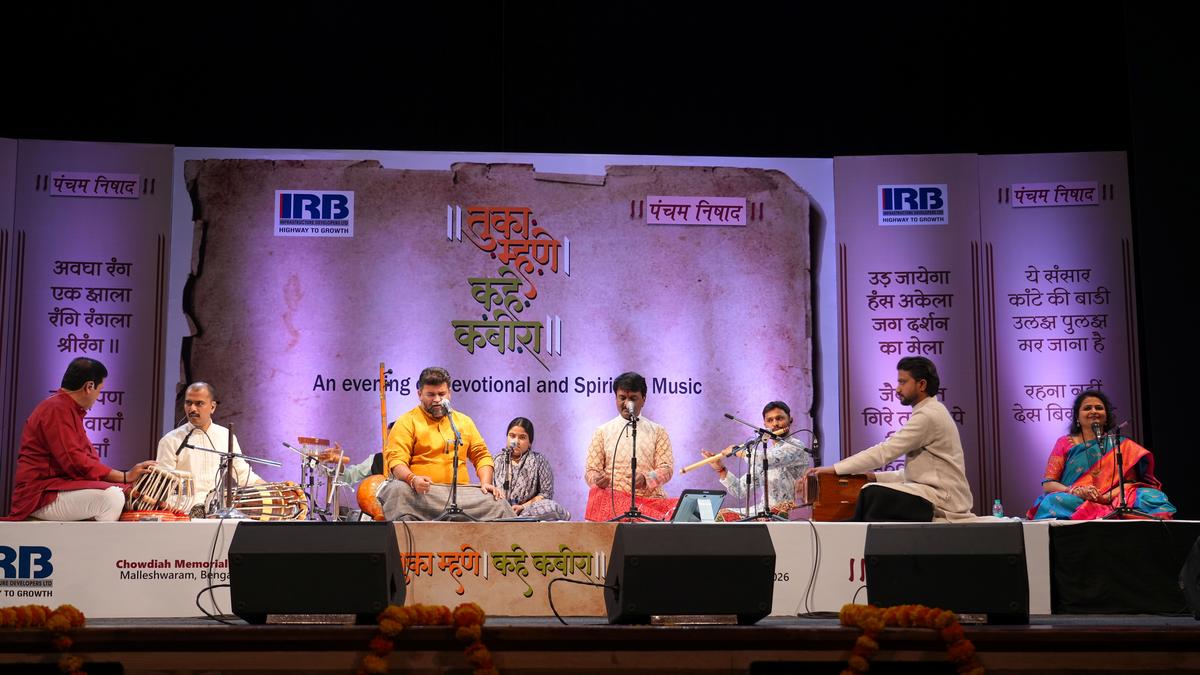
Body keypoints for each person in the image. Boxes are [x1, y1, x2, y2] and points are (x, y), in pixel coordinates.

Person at [807, 357, 974, 522]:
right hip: (931, 494)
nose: (897, 389)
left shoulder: (928, 415)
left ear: (922, 385)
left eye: (903, 382)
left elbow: (884, 452)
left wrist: (835, 469)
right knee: (870, 490)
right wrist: (874, 477)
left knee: (872, 494)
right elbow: (915, 474)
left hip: (943, 500)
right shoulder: (930, 411)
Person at [5, 358, 155, 521]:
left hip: (57, 488)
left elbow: (85, 462)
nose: (98, 397)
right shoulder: (56, 409)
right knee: (112, 498)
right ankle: (100, 539)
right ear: (89, 387)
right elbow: (76, 464)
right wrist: (124, 478)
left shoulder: (67, 409)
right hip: (40, 495)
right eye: (100, 390)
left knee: (121, 494)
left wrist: (125, 483)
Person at [379, 366, 511, 520]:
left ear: (449, 393)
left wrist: (486, 483)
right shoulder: (406, 421)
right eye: (431, 394)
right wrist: (412, 479)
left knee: (497, 502)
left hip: (461, 495)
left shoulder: (464, 422)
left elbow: (481, 455)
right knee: (397, 490)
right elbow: (396, 460)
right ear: (419, 394)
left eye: (441, 394)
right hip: (422, 494)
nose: (437, 399)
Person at [1026, 389, 1175, 520]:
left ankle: (1108, 511)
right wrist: (1076, 491)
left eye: (1099, 408)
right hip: (1077, 499)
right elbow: (1049, 484)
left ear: (1106, 416)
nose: (1094, 411)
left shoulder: (1120, 444)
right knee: (1052, 501)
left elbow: (1130, 483)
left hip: (1114, 498)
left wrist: (1106, 497)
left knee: (1152, 497)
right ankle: (1104, 513)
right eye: (1087, 408)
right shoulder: (1064, 442)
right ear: (1077, 417)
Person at [156, 382, 264, 514]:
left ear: (212, 407)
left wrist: (271, 490)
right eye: (188, 403)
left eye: (199, 403)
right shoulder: (170, 440)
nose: (192, 409)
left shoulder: (226, 436)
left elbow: (243, 474)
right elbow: (162, 485)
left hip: (215, 513)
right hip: (181, 514)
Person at [700, 400, 811, 519]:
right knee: (718, 515)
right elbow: (739, 490)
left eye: (779, 418)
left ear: (790, 419)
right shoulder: (764, 453)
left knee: (723, 517)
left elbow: (768, 460)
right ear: (765, 425)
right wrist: (720, 469)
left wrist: (740, 451)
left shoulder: (796, 446)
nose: (775, 424)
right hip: (764, 510)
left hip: (788, 511)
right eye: (770, 420)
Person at [584, 371, 675, 499]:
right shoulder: (602, 432)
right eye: (622, 398)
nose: (627, 404)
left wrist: (646, 479)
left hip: (649, 501)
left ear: (643, 399)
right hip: (612, 502)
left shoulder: (658, 431)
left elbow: (666, 469)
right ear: (616, 398)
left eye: (633, 398)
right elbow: (591, 470)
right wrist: (596, 479)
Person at [494, 417, 571, 520]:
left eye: (522, 437)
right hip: (499, 510)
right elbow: (488, 490)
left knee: (551, 507)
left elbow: (546, 494)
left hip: (526, 511)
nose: (516, 441)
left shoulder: (539, 460)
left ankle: (518, 519)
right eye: (512, 436)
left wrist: (522, 507)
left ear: (530, 442)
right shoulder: (496, 460)